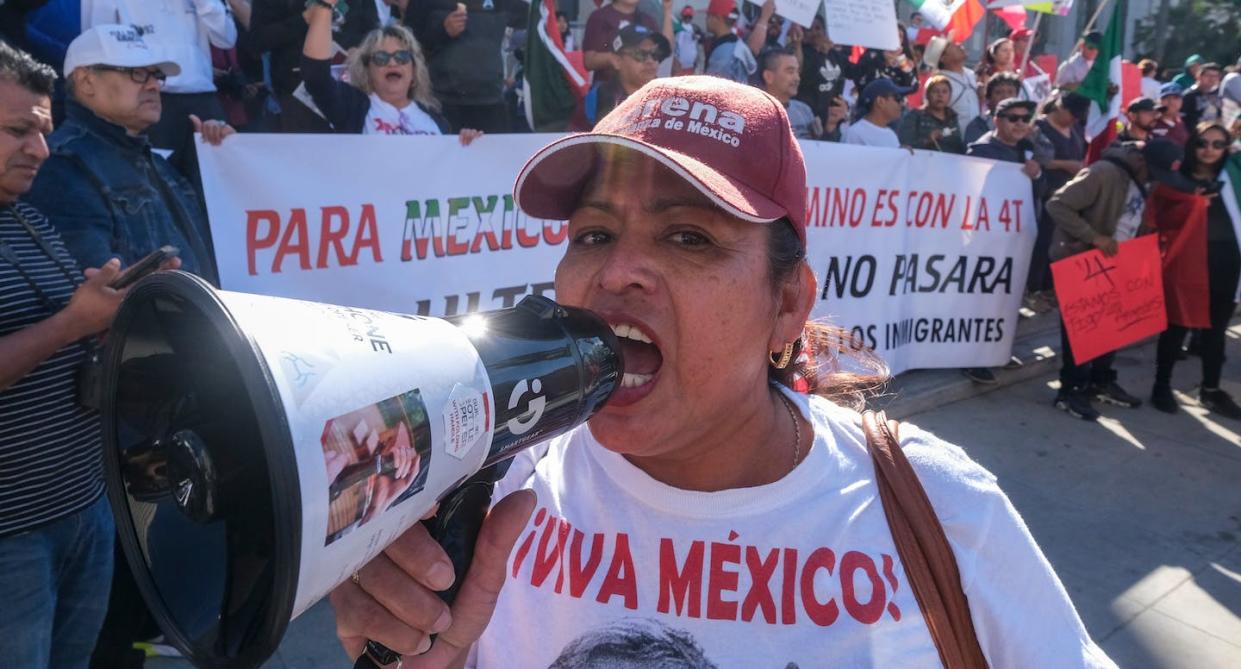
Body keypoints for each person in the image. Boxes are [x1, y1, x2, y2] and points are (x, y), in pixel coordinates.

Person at [327, 74, 1118, 669]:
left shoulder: (938, 511)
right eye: (594, 235)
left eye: (689, 238)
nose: (616, 273)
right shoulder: (489, 491)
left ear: (787, 303)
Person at [0, 41, 181, 668]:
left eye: (43, 133)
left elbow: (70, 326)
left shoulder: (25, 218)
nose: (40, 151)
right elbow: (60, 326)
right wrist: (74, 320)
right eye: (19, 131)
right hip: (11, 537)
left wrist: (115, 306)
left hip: (81, 509)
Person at [24, 24, 226, 282]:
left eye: (156, 75)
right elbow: (96, 284)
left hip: (187, 316)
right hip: (147, 319)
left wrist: (219, 158)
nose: (154, 85)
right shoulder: (61, 164)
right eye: (137, 73)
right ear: (86, 81)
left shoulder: (155, 162)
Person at [1045, 141, 1160, 419]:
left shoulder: (1144, 181)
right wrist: (1093, 236)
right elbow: (1057, 204)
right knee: (1080, 329)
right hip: (1083, 261)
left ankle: (1101, 381)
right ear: (1141, 162)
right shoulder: (1103, 172)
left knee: (1111, 327)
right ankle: (1070, 391)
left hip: (1120, 262)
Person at [81, 0, 238, 177]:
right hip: (146, 99)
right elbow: (98, 45)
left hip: (202, 97)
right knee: (158, 187)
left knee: (216, 188)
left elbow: (226, 38)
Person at [1151, 123, 1241, 418]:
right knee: (1176, 328)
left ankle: (1211, 390)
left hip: (1226, 263)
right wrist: (1194, 205)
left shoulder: (1232, 178)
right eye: (1203, 143)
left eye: (1218, 144)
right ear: (1193, 145)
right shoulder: (1175, 179)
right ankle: (1161, 386)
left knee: (1215, 331)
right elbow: (1159, 219)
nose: (1210, 150)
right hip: (1187, 264)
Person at [301, 2, 482, 143]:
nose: (392, 63)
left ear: (414, 69)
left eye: (402, 57)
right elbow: (316, 77)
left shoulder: (435, 118)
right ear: (368, 70)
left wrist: (467, 143)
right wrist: (325, 7)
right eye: (381, 58)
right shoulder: (353, 107)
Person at [412, 0, 524, 133]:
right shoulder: (426, 3)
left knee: (494, 153)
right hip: (443, 102)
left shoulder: (503, 3)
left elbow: (539, 17)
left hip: (491, 102)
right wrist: (443, 30)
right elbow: (411, 43)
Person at [1028, 91, 1086, 295]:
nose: (1075, 119)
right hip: (1045, 192)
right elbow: (1034, 158)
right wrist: (1066, 165)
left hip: (1069, 196)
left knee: (1061, 241)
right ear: (1060, 107)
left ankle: (1051, 286)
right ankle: (1035, 288)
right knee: (1043, 241)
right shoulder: (1039, 127)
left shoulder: (1076, 128)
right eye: (1072, 114)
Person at [570, 24, 668, 131]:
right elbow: (575, 142)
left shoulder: (671, 97)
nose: (650, 61)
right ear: (617, 61)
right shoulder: (597, 98)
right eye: (640, 54)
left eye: (655, 54)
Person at [581, 0, 673, 86]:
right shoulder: (599, 17)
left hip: (641, 90)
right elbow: (589, 62)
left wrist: (667, 10)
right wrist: (616, 58)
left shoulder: (647, 19)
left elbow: (665, 50)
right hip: (609, 91)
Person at [796, 16, 854, 137]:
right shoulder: (802, 53)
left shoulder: (835, 55)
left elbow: (855, 71)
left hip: (831, 121)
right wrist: (798, 44)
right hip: (807, 120)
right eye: (809, 29)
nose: (814, 33)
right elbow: (799, 69)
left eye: (818, 28)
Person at [703, 0, 769, 84]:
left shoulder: (724, 52)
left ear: (717, 18)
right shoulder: (736, 44)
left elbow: (714, 89)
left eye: (708, 15)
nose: (706, 19)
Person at [760, 47, 819, 139]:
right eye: (790, 72)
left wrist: (830, 130)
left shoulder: (804, 111)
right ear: (768, 76)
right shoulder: (755, 114)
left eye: (797, 72)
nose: (797, 78)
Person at [897, 74, 963, 153]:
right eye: (935, 91)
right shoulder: (914, 116)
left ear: (950, 96)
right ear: (927, 94)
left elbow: (959, 147)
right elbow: (905, 145)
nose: (940, 95)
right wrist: (927, 140)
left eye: (944, 92)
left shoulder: (953, 118)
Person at [930, 38, 981, 136]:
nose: (959, 45)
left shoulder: (971, 75)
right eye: (953, 45)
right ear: (942, 58)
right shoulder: (937, 81)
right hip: (951, 140)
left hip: (976, 137)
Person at [842, 77, 909, 148]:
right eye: (898, 98)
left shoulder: (891, 134)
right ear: (880, 101)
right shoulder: (855, 133)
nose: (902, 104)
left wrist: (901, 153)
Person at [965, 72, 1020, 145]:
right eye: (998, 92)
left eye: (1010, 92)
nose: (1005, 97)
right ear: (988, 99)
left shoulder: (1023, 124)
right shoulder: (978, 125)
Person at [1182, 62, 1223, 129]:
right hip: (1194, 134)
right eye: (1208, 75)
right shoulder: (1189, 95)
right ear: (1198, 76)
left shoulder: (1219, 93)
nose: (1212, 79)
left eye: (1215, 76)